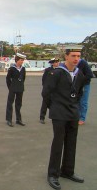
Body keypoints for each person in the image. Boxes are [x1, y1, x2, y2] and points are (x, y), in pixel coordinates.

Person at [42, 46, 85, 190]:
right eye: (73, 56)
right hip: (59, 113)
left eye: (78, 56)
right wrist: (53, 107)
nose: (76, 59)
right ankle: (53, 174)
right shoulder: (57, 73)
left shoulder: (79, 73)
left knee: (71, 142)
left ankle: (68, 171)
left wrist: (74, 106)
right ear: (66, 56)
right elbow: (46, 93)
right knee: (58, 143)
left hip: (73, 112)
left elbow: (79, 93)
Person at [5, 53, 27, 127]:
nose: (22, 61)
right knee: (10, 104)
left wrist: (20, 85)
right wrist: (10, 87)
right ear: (17, 60)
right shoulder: (12, 68)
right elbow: (8, 79)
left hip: (20, 89)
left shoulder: (23, 69)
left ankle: (18, 119)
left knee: (18, 104)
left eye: (23, 60)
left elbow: (23, 78)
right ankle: (9, 120)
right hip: (13, 88)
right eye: (21, 60)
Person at [39, 58, 60, 124]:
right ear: (52, 63)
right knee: (44, 104)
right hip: (47, 91)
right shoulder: (48, 70)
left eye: (58, 62)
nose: (57, 63)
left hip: (55, 91)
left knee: (54, 105)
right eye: (56, 62)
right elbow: (44, 79)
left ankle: (54, 117)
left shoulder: (59, 70)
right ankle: (42, 118)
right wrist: (45, 87)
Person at [77, 58, 93, 125]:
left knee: (83, 102)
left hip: (84, 85)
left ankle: (82, 118)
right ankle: (76, 117)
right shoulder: (71, 63)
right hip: (76, 85)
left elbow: (90, 75)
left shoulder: (82, 63)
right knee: (76, 101)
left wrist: (81, 80)